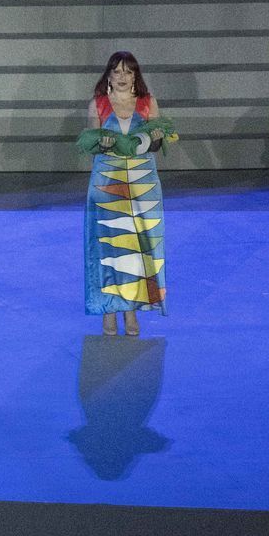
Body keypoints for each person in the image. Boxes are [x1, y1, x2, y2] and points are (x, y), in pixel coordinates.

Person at [84, 51, 167, 336]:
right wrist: (102, 144)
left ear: (136, 76)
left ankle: (131, 311)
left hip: (142, 186)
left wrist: (157, 139)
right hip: (107, 184)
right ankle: (108, 311)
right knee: (109, 248)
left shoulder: (147, 103)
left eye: (128, 72)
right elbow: (91, 145)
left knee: (136, 250)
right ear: (108, 75)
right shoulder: (98, 104)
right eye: (117, 72)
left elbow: (155, 146)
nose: (122, 77)